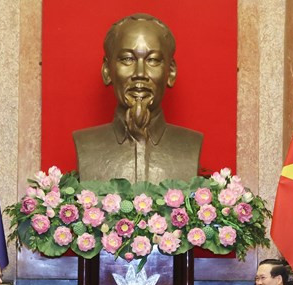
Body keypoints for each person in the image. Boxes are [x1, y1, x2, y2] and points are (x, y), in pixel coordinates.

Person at [74, 13, 202, 184]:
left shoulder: (191, 145)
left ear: (171, 72)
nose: (140, 73)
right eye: (127, 59)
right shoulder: (86, 144)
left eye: (153, 60)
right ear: (107, 70)